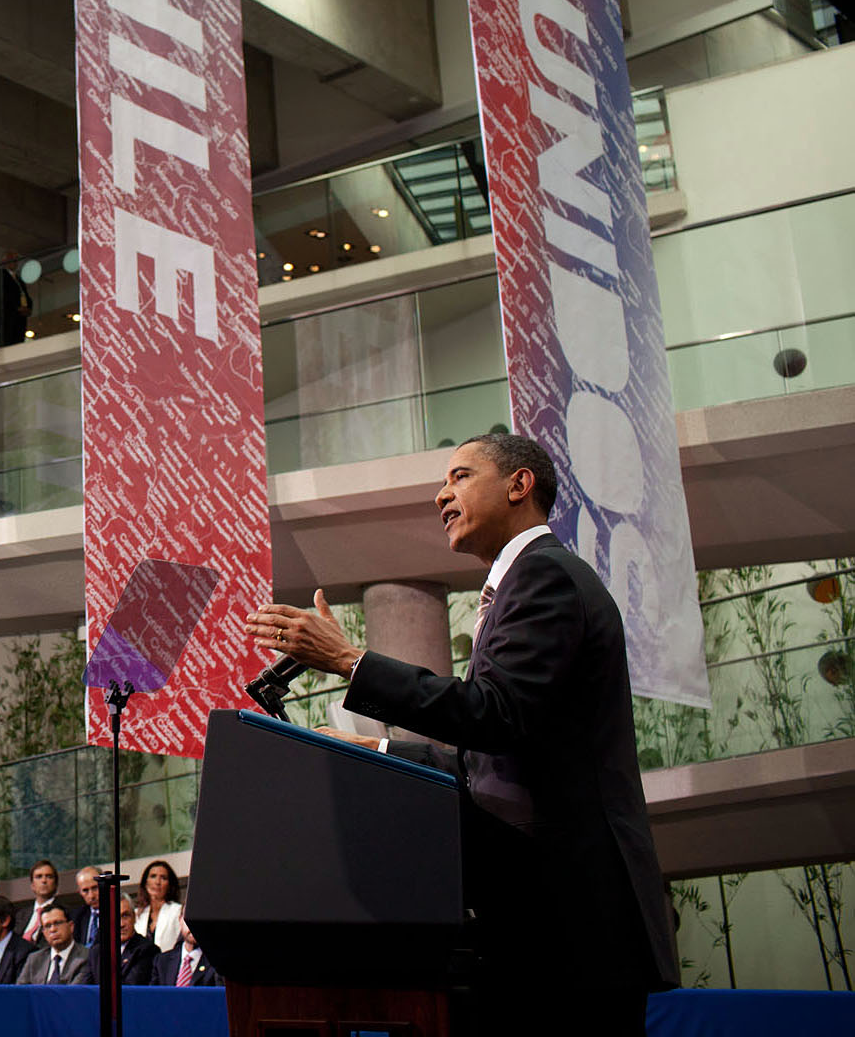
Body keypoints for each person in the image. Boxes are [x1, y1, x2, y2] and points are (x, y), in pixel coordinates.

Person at [246, 433, 677, 1035]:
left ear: (519, 484)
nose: (441, 494)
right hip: (541, 919)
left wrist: (350, 660)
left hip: (572, 922)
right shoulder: (522, 584)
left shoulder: (545, 577)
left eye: (459, 477)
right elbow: (494, 759)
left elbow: (497, 715)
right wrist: (379, 751)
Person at [87, 896, 155, 986]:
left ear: (134, 917)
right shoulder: (96, 953)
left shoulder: (148, 950)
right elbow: (86, 990)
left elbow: (131, 987)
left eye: (125, 916)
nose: (121, 924)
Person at [14, 905, 89, 985]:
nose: (53, 929)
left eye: (57, 923)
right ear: (43, 932)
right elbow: (20, 992)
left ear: (71, 927)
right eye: (47, 926)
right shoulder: (34, 959)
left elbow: (74, 994)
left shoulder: (86, 956)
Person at [14, 859, 77, 944]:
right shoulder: (20, 915)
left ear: (56, 884)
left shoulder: (67, 912)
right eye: (39, 877)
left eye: (49, 876)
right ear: (32, 885)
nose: (44, 881)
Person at [148, 916, 218, 987]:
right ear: (180, 920)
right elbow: (152, 995)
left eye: (199, 920)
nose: (193, 925)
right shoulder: (162, 961)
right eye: (188, 919)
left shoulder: (217, 963)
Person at [133, 860, 182, 953]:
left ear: (170, 885)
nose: (157, 882)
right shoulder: (136, 914)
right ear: (146, 882)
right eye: (153, 876)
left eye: (163, 878)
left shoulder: (177, 911)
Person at [70, 867, 103, 946]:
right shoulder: (77, 916)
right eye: (85, 890)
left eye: (95, 888)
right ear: (79, 892)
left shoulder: (118, 911)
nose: (91, 896)